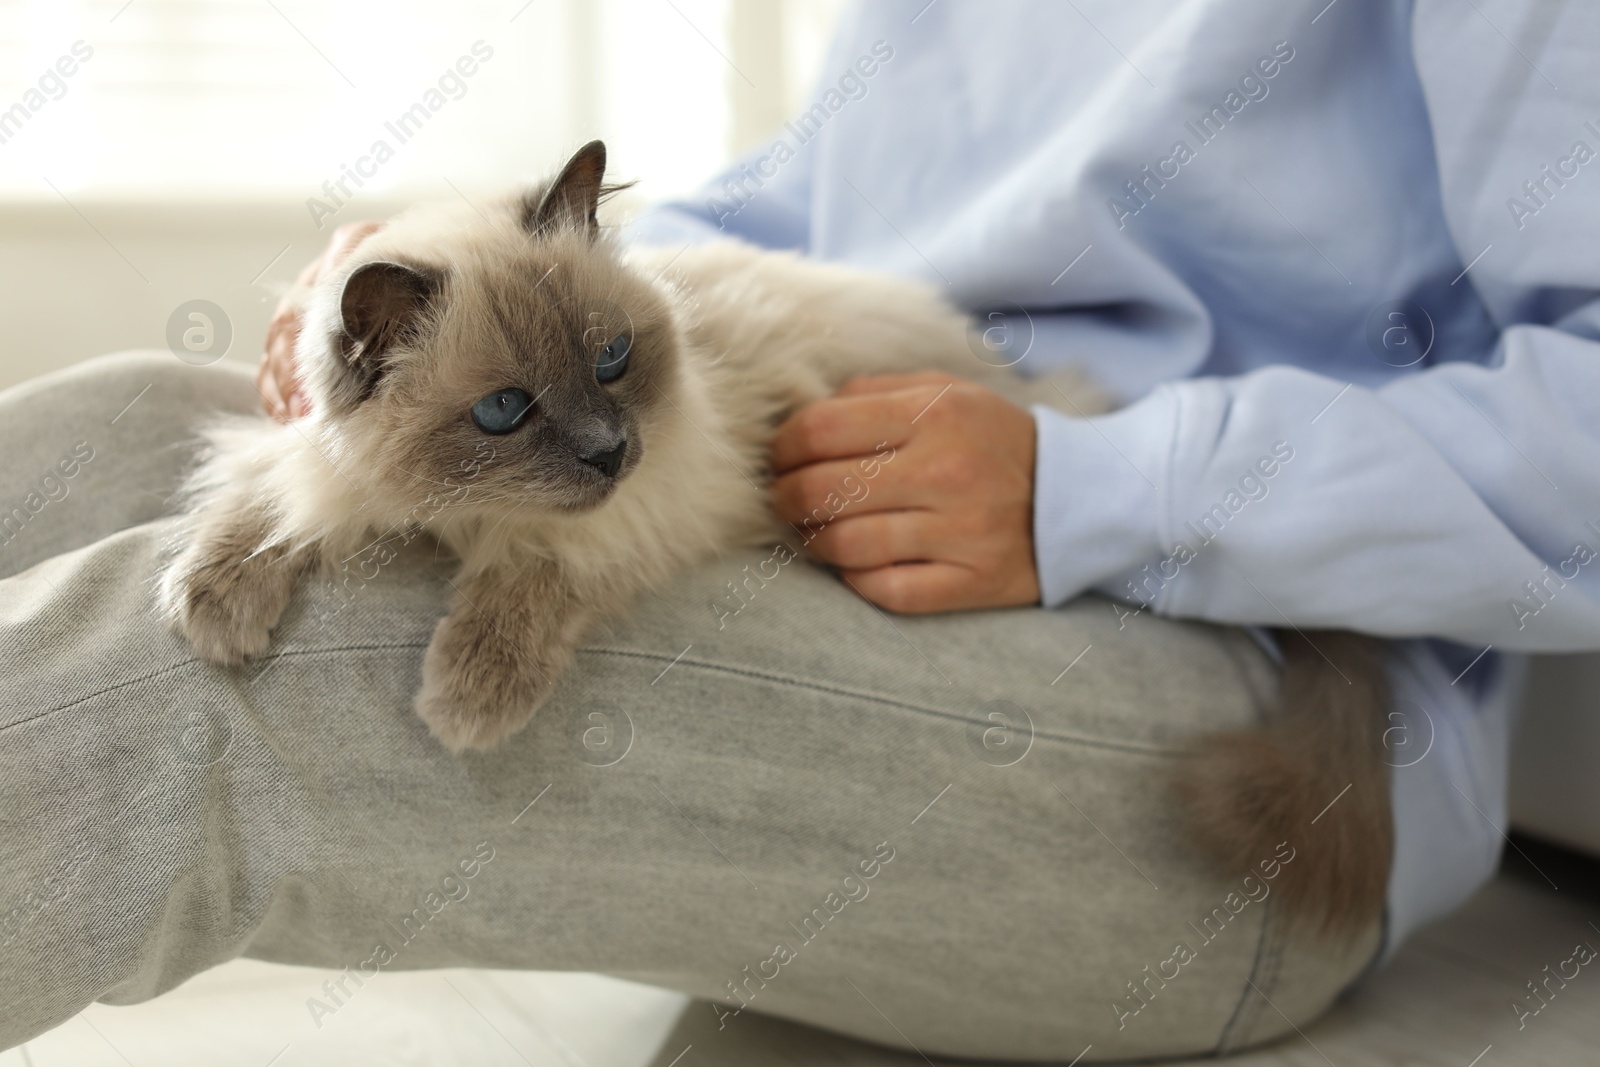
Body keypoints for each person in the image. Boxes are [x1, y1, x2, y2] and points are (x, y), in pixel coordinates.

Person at [2, 0, 1595, 1060]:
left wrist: (1102, 488)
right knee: (121, 429)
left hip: (1216, 668)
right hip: (826, 499)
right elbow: (775, 226)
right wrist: (447, 276)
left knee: (220, 697)